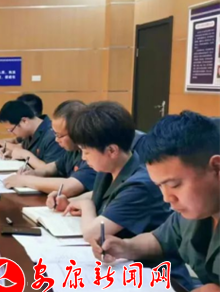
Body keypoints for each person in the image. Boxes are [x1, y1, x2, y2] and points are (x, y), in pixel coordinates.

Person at [91, 111, 220, 292]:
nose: (167, 198)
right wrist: (126, 247)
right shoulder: (194, 211)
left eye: (174, 185)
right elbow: (160, 240)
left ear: (216, 168)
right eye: (160, 186)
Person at [53, 102, 172, 242]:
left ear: (111, 150)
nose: (83, 158)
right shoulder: (110, 168)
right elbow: (103, 195)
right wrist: (69, 201)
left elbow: (93, 234)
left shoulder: (139, 186)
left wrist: (86, 205)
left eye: (87, 152)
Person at [3, 100, 96, 197]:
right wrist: (34, 173)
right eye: (55, 134)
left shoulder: (93, 153)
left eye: (60, 135)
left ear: (76, 132)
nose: (56, 139)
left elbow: (69, 187)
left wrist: (26, 180)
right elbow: (54, 167)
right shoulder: (73, 150)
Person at [0, 100, 64, 169]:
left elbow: (52, 170)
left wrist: (24, 154)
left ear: (24, 121)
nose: (11, 134)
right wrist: (13, 153)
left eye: (11, 130)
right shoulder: (29, 133)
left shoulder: (53, 135)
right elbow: (24, 149)